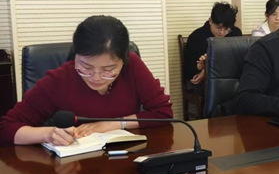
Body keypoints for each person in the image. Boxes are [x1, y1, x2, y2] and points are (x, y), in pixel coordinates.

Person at [0, 15, 173, 146]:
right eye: (86, 67)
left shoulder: (132, 66)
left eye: (108, 70)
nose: (96, 77)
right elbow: (6, 128)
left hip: (126, 162)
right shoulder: (59, 80)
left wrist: (112, 124)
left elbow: (163, 113)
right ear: (76, 55)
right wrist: (49, 134)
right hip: (74, 168)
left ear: (123, 61)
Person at [184, 2, 242, 94]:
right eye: (219, 28)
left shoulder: (235, 33)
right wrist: (201, 68)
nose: (222, 33)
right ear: (211, 21)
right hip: (203, 82)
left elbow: (239, 60)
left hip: (230, 76)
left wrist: (207, 70)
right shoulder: (196, 37)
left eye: (226, 29)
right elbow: (189, 71)